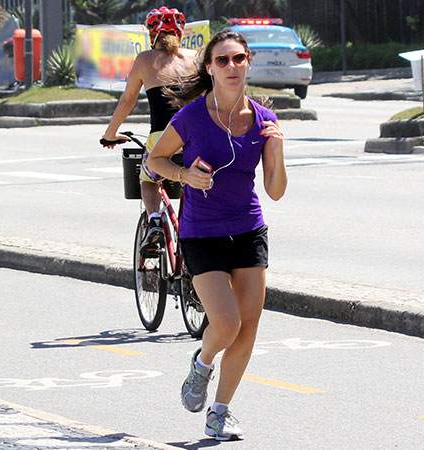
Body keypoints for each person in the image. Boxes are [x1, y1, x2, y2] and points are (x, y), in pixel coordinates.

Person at [147, 29, 287, 441]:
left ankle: (220, 412)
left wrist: (276, 154)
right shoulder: (190, 116)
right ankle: (202, 363)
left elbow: (275, 191)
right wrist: (184, 174)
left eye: (238, 59)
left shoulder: (264, 121)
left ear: (248, 63)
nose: (231, 67)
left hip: (248, 229)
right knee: (224, 323)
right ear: (209, 68)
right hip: (202, 232)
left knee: (248, 326)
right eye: (222, 60)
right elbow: (156, 159)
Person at [102, 6, 196, 255]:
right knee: (192, 182)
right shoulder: (195, 58)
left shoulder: (145, 59)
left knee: (148, 179)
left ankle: (154, 218)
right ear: (181, 33)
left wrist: (110, 134)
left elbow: (127, 100)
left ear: (152, 34)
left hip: (163, 138)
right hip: (196, 139)